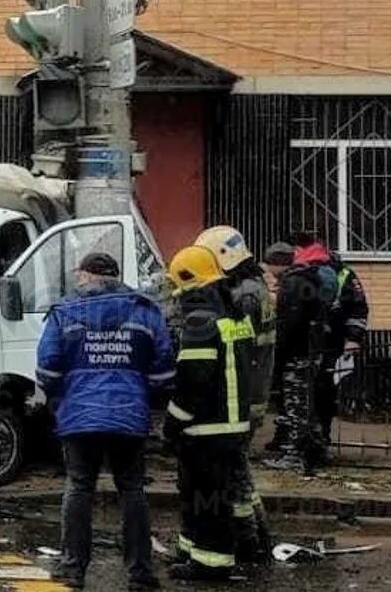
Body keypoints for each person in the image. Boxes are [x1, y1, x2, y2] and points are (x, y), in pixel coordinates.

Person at [37, 252, 171, 591]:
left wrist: (62, 394)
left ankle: (72, 569)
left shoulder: (65, 311)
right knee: (132, 489)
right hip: (129, 414)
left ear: (86, 275)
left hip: (80, 415)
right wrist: (145, 396)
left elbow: (47, 369)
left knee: (79, 486)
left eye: (79, 273)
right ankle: (140, 572)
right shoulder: (144, 310)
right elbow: (164, 369)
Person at [162, 246, 255, 582]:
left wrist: (172, 424)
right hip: (231, 424)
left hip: (207, 429)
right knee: (201, 495)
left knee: (207, 500)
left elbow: (193, 380)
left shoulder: (200, 320)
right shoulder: (234, 314)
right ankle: (192, 550)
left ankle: (210, 564)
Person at [193, 227, 274, 562]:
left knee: (235, 475)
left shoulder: (246, 293)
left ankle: (249, 542)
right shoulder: (256, 286)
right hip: (253, 390)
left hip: (242, 396)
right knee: (240, 469)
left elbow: (229, 325)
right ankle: (259, 535)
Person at [293, 233, 369, 465]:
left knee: (323, 392)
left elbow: (358, 308)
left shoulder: (342, 273)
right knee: (300, 394)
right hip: (303, 345)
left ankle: (319, 442)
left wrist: (353, 338)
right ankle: (299, 442)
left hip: (331, 345)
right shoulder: (298, 273)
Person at [260, 242, 328, 474]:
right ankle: (316, 450)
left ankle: (295, 456)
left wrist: (278, 354)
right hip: (310, 351)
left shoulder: (292, 284)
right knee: (308, 404)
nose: (268, 271)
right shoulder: (307, 279)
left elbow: (288, 324)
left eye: (270, 264)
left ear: (278, 263)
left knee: (296, 405)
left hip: (297, 354)